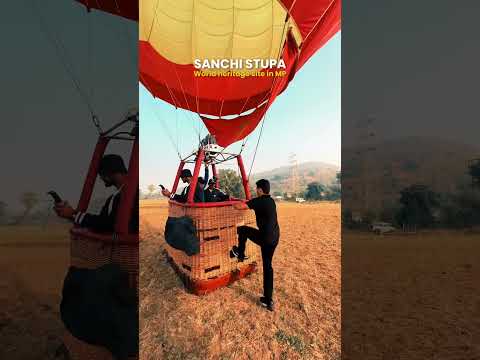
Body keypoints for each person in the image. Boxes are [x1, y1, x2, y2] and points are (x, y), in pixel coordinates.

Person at [54, 154, 138, 233]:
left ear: (109, 171)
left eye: (101, 173)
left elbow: (108, 225)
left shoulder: (131, 194)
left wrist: (73, 213)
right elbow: (100, 223)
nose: (100, 178)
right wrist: (71, 215)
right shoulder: (115, 197)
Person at [230, 179, 280, 311]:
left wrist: (231, 201)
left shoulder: (259, 201)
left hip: (265, 238)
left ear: (260, 190)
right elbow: (251, 204)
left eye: (256, 188)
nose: (255, 190)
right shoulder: (271, 201)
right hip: (274, 238)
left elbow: (239, 207)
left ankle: (240, 254)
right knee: (268, 267)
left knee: (242, 230)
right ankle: (268, 301)